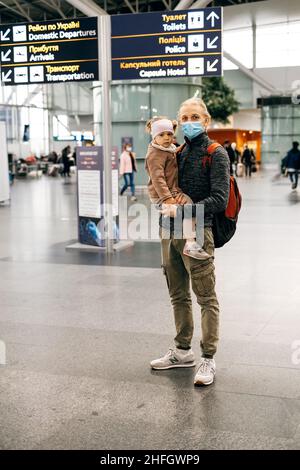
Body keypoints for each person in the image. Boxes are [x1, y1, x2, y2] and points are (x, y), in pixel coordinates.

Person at [150, 97, 230, 386]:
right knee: (178, 295)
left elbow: (220, 200)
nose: (188, 123)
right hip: (169, 231)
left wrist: (183, 209)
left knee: (206, 296)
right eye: (183, 118)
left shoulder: (216, 153)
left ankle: (208, 357)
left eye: (194, 117)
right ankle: (183, 351)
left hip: (198, 233)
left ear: (206, 121)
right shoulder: (176, 151)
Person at [145, 116, 210, 260]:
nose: (166, 138)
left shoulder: (168, 149)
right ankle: (190, 243)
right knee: (188, 206)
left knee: (187, 207)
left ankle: (189, 241)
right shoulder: (154, 154)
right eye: (161, 135)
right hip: (162, 194)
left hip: (171, 190)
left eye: (169, 134)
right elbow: (158, 179)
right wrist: (168, 198)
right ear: (154, 136)